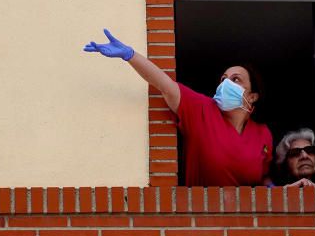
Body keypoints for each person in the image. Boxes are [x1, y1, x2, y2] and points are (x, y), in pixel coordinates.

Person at [84, 29, 272, 187]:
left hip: (246, 225)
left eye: (235, 79)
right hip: (201, 220)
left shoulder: (262, 134)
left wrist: (277, 188)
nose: (226, 84)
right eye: (223, 79)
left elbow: (263, 180)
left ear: (252, 96)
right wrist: (130, 55)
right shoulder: (202, 110)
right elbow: (164, 84)